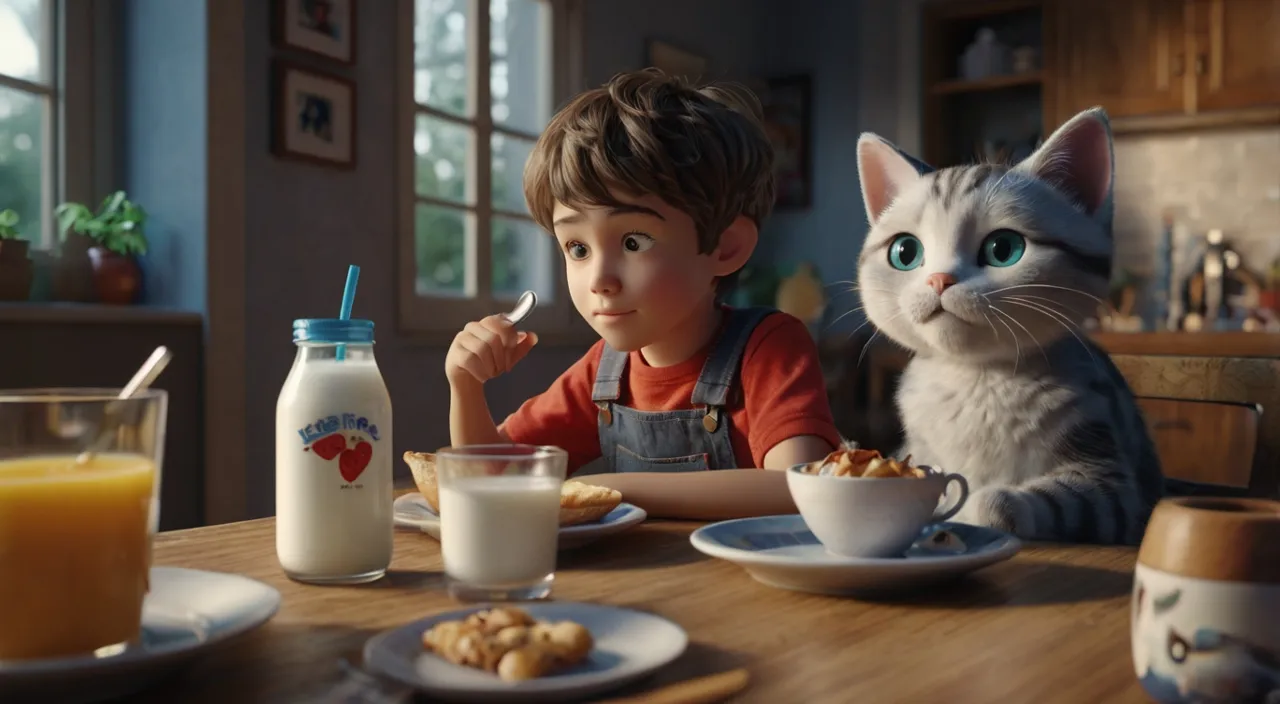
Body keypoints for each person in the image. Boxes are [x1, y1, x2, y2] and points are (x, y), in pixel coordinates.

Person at [444, 69, 841, 519]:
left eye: (633, 242)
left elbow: (800, 490)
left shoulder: (769, 347)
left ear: (725, 247)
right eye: (577, 248)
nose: (599, 278)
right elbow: (493, 478)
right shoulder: (602, 374)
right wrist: (466, 386)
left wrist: (612, 488)